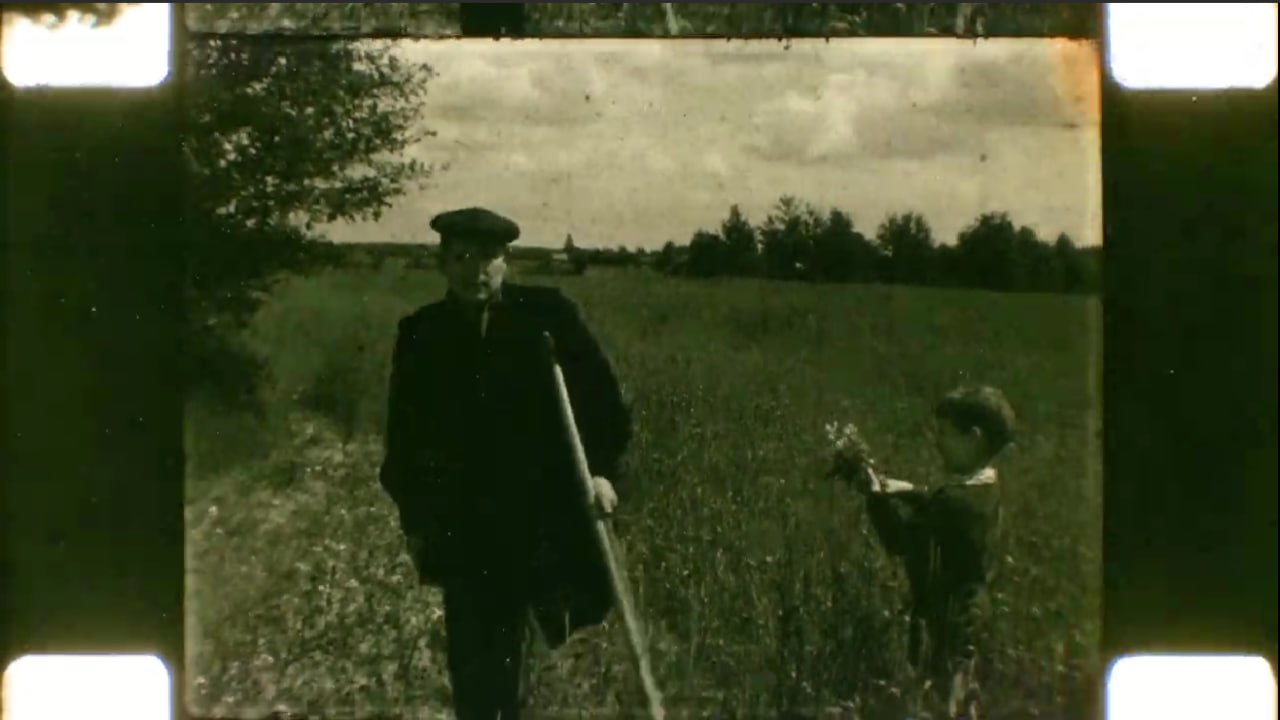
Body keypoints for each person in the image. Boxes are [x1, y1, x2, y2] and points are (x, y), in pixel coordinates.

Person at [377, 207, 632, 720]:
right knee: (475, 663)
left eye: (488, 257)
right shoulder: (422, 332)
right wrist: (415, 518)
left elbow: (603, 402)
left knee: (546, 645)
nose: (476, 270)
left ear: (506, 261)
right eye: (462, 257)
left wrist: (602, 470)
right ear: (442, 264)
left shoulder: (547, 317)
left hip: (539, 514)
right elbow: (404, 437)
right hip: (464, 522)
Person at [833, 385, 1015, 720]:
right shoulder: (986, 488)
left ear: (973, 439)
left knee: (939, 699)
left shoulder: (953, 505)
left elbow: (899, 540)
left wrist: (874, 495)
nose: (936, 442)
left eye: (945, 433)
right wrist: (907, 489)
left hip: (947, 620)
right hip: (973, 614)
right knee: (964, 698)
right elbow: (938, 501)